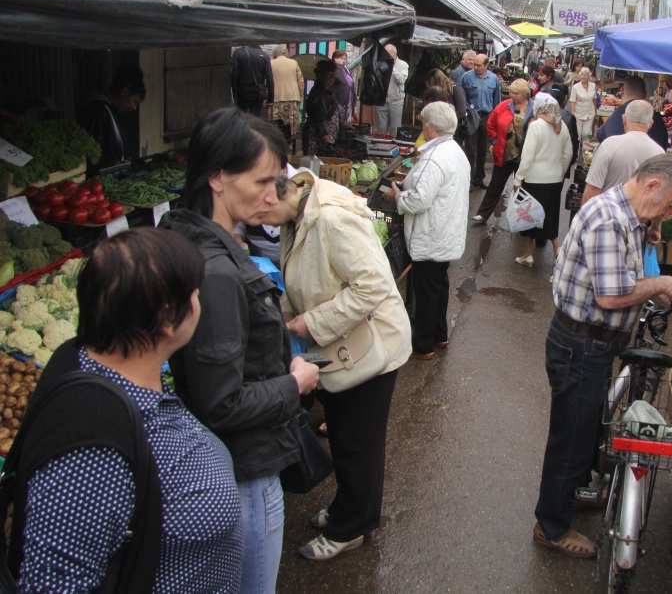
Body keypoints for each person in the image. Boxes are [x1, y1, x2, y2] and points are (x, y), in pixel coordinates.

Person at [11, 228, 244, 594]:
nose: (200, 301)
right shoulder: (91, 450)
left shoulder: (105, 369)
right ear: (169, 318)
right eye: (195, 293)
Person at [160, 108, 320, 594]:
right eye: (262, 182)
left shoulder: (182, 234)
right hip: (246, 468)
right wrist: (294, 383)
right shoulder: (218, 273)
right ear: (217, 179)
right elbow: (222, 402)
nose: (273, 197)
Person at [533, 154, 672, 558]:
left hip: (595, 342)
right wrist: (663, 283)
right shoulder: (609, 219)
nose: (670, 213)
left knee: (587, 426)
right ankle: (551, 526)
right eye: (670, 204)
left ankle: (574, 492)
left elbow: (625, 261)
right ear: (652, 185)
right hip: (581, 344)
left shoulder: (630, 210)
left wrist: (653, 223)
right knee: (571, 436)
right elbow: (611, 295)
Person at [263, 172, 412, 560]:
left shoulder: (329, 216)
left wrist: (309, 322)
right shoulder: (297, 214)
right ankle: (347, 508)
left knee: (356, 443)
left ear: (271, 198)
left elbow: (373, 285)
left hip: (370, 348)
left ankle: (352, 527)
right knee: (346, 436)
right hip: (344, 346)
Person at [387, 102, 470, 360]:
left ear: (432, 127)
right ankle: (439, 335)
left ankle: (423, 346)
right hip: (445, 230)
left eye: (424, 124)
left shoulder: (436, 156)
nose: (422, 128)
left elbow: (418, 200)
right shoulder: (454, 150)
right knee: (438, 284)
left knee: (426, 290)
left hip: (432, 232)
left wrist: (397, 197)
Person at [512, 95, 574, 267]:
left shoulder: (535, 125)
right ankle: (558, 248)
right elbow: (568, 153)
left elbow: (527, 156)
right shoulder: (562, 126)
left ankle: (528, 254)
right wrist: (559, 172)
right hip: (554, 179)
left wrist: (518, 179)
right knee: (550, 214)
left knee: (528, 216)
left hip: (533, 179)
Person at [473, 78, 534, 224]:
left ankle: (523, 219)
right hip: (505, 154)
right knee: (495, 185)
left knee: (524, 188)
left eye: (516, 93)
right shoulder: (503, 106)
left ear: (525, 94)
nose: (512, 95)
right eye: (512, 92)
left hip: (525, 155)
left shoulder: (535, 109)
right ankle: (483, 214)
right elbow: (491, 123)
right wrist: (494, 141)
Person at [582, 100, 664, 204]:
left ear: (624, 119)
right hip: (639, 219)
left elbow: (592, 190)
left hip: (607, 216)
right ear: (651, 124)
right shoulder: (660, 154)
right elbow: (660, 199)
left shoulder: (610, 145)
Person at [77, 63, 146, 172]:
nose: (134, 108)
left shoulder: (110, 111)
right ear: (125, 92)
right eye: (135, 102)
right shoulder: (97, 112)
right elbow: (94, 158)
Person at [458, 54, 503, 188]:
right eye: (474, 64)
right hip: (471, 116)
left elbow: (497, 101)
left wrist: (496, 119)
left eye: (478, 65)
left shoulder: (493, 79)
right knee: (471, 149)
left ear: (486, 65)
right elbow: (460, 97)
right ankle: (469, 180)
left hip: (486, 117)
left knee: (483, 149)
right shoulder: (466, 77)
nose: (475, 67)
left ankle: (479, 179)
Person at [595, 76, 669, 148]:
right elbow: (664, 144)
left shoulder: (617, 115)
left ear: (622, 90)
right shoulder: (657, 118)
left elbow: (601, 136)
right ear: (645, 93)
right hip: (651, 159)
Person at [303, 59, 343, 154]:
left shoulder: (327, 92)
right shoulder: (318, 94)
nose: (331, 80)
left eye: (333, 76)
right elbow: (318, 118)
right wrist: (324, 136)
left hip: (329, 134)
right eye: (329, 76)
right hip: (317, 137)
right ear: (321, 76)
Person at [267, 45, 304, 141]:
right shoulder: (294, 63)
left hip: (276, 97)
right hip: (292, 97)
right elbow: (300, 80)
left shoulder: (271, 64)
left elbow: (267, 81)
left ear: (275, 54)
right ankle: (290, 142)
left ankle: (277, 142)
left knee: (277, 123)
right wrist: (301, 95)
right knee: (290, 123)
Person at [231, 44, 274, 117]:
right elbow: (269, 78)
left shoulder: (239, 52)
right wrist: (270, 98)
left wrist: (234, 93)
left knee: (241, 115)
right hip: (258, 93)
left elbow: (234, 74)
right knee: (255, 115)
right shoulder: (265, 56)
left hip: (242, 91)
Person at [376, 44, 408, 136]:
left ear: (394, 53)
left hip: (396, 101)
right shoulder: (381, 63)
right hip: (382, 100)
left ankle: (394, 148)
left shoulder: (403, 65)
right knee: (381, 130)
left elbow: (401, 79)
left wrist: (392, 68)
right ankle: (381, 148)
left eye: (387, 52)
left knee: (395, 129)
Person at [569, 67, 599, 141]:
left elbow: (594, 98)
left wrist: (595, 111)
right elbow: (573, 101)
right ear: (580, 76)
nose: (583, 76)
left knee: (586, 133)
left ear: (589, 76)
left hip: (589, 113)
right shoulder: (575, 87)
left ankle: (584, 149)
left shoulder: (593, 86)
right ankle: (577, 149)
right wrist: (572, 114)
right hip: (578, 113)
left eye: (585, 75)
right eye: (582, 75)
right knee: (578, 134)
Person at [331, 48, 355, 137]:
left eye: (344, 59)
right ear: (335, 58)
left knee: (346, 120)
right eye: (341, 58)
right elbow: (338, 79)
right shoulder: (335, 69)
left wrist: (355, 98)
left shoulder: (345, 69)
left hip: (348, 99)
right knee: (339, 120)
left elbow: (351, 83)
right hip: (339, 99)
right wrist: (339, 66)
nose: (343, 61)